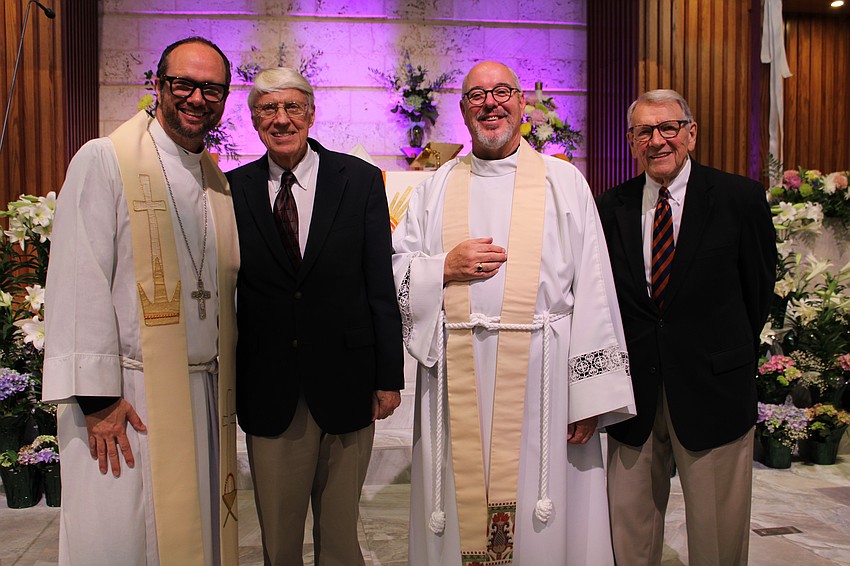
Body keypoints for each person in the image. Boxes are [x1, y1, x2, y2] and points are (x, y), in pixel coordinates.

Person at [392, 61, 636, 565]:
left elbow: (593, 284)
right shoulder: (434, 188)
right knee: (457, 510)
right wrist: (442, 268)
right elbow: (396, 269)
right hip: (455, 376)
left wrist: (587, 394)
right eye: (477, 95)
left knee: (539, 517)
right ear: (463, 110)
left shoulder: (563, 182)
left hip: (543, 381)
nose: (490, 103)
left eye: (502, 92)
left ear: (522, 104)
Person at [42, 37, 239, 565]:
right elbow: (78, 280)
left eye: (212, 89)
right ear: (157, 84)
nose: (198, 98)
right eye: (184, 84)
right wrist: (96, 399)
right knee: (124, 539)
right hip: (126, 401)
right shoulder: (104, 160)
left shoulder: (214, 181)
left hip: (201, 396)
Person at [226, 67, 404, 566]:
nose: (281, 120)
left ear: (311, 112)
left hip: (348, 382)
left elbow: (379, 284)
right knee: (279, 541)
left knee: (341, 538)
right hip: (270, 386)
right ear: (254, 118)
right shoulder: (231, 189)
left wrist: (388, 377)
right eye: (268, 109)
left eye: (292, 108)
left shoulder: (360, 180)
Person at [596, 89, 777, 566]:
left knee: (717, 538)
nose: (657, 140)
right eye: (644, 131)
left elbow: (757, 290)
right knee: (628, 533)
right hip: (633, 396)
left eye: (668, 128)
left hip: (713, 389)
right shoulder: (609, 206)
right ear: (631, 141)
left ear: (690, 133)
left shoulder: (739, 198)